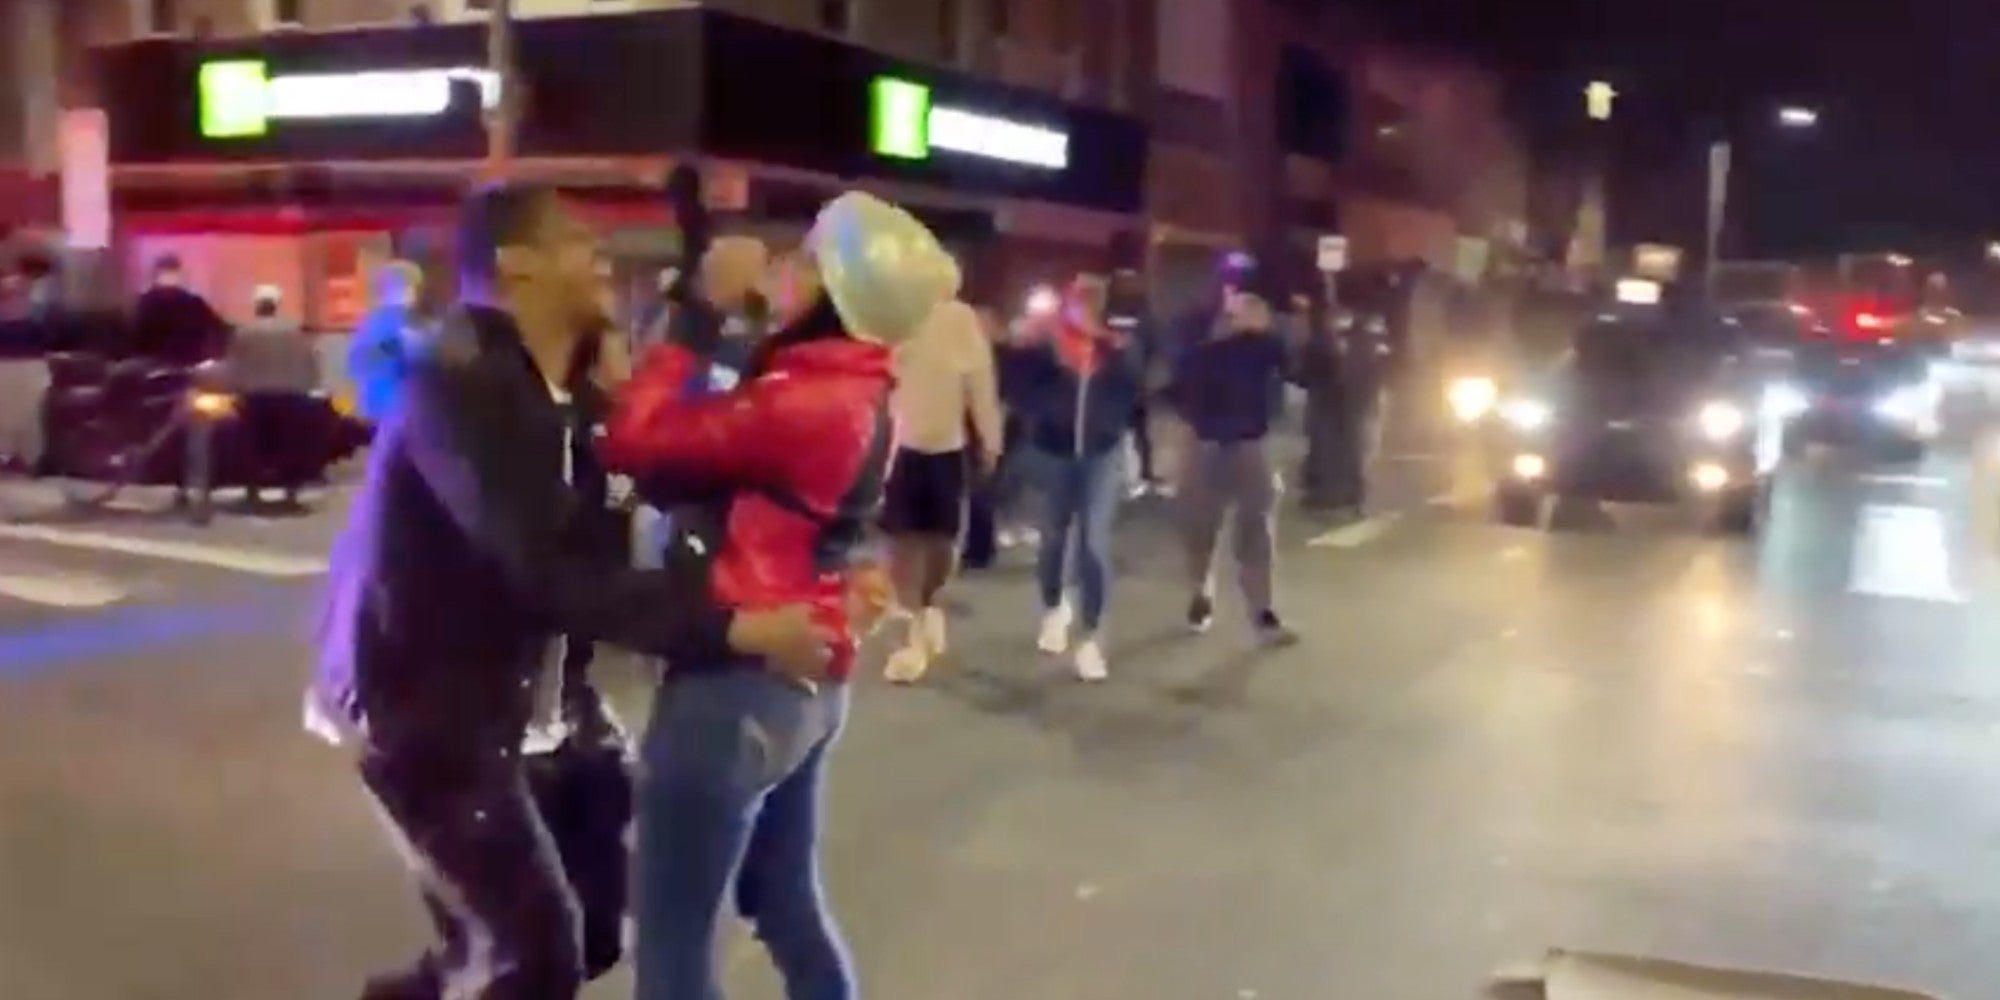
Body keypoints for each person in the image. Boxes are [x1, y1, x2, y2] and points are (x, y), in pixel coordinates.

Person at [307, 182, 832, 1000]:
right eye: (578, 242)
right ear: (517, 266)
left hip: (536, 702)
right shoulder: (462, 385)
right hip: (424, 711)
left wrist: (720, 330)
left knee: (587, 932)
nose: (602, 258)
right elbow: (552, 573)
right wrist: (738, 629)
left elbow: (659, 474)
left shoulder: (570, 396)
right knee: (533, 956)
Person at [601, 190, 951, 1000]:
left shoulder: (803, 399)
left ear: (833, 290)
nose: (781, 270)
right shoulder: (852, 386)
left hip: (739, 683)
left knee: (674, 946)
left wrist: (697, 310)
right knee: (785, 903)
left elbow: (634, 441)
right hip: (803, 679)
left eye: (803, 260)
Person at [1014, 274, 1146, 681]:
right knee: (1053, 537)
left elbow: (1137, 384)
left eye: (1093, 300)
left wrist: (1111, 347)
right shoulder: (1047, 343)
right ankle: (1054, 608)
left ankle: (1091, 637)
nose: (1085, 307)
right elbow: (1018, 386)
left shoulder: (1116, 342)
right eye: (1078, 299)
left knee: (1093, 541)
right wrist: (1029, 348)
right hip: (1054, 452)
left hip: (1100, 454)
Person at [1167, 282, 1300, 646]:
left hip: (1251, 443)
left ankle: (1262, 611)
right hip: (1204, 443)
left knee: (1256, 528)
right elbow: (1179, 385)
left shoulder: (1265, 347)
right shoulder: (1200, 346)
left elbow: (1296, 365)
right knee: (1199, 528)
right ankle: (1200, 590)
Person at [880, 291, 1003, 684]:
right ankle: (909, 636)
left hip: (946, 448)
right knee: (902, 541)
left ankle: (930, 606)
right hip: (900, 447)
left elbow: (980, 382)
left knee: (942, 543)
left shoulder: (960, 320)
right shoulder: (892, 314)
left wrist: (990, 436)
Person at [226, 285, 322, 507]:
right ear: (276, 306)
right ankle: (290, 492)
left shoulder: (244, 332)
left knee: (253, 445)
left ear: (257, 306)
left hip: (255, 395)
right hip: (290, 395)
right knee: (289, 443)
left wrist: (234, 391)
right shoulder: (295, 332)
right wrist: (309, 386)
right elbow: (310, 362)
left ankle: (253, 491)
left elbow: (234, 365)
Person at [347, 260, 424, 424]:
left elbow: (356, 364)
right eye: (413, 287)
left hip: (372, 410)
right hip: (401, 413)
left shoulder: (368, 322)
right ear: (406, 288)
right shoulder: (408, 321)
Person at [132, 255, 231, 367]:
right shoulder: (193, 302)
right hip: (188, 364)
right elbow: (218, 329)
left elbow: (135, 335)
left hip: (150, 365)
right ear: (179, 274)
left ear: (156, 276)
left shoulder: (144, 302)